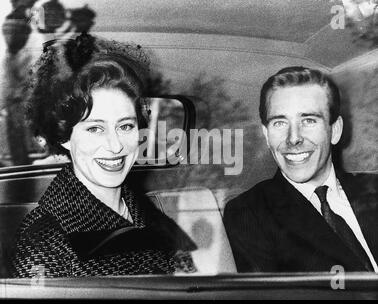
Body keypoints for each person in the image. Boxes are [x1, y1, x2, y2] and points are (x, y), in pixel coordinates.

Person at [12, 33, 196, 277]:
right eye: (95, 128)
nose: (115, 146)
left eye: (125, 126)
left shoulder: (148, 216)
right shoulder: (42, 242)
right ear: (65, 136)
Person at [224, 66, 378, 273]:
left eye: (308, 120)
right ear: (267, 135)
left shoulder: (373, 189)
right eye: (279, 123)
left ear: (335, 130)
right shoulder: (248, 213)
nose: (293, 138)